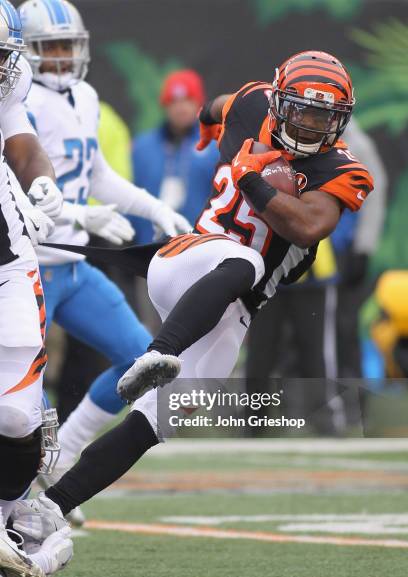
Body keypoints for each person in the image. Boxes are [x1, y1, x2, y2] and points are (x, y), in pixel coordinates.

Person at [12, 51, 374, 534]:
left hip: (233, 310)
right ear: (277, 100)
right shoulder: (253, 104)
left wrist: (250, 178)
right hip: (190, 261)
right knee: (245, 259)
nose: (309, 125)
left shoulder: (342, 168)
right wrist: (209, 126)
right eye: (301, 110)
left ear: (340, 120)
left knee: (167, 414)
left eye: (322, 116)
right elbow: (220, 106)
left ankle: (50, 507)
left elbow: (309, 226)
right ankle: (157, 351)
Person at [17, 0, 191, 526]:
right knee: (20, 394)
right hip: (26, 270)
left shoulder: (86, 97)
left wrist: (153, 207)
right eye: (52, 47)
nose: (64, 57)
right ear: (27, 51)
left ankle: (63, 456)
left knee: (139, 359)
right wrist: (80, 217)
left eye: (71, 45)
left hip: (71, 268)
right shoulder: (17, 100)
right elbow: (15, 188)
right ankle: (19, 503)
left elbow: (97, 176)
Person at [0, 0, 74, 577]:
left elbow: (19, 138)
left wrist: (40, 183)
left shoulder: (15, 74)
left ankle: (5, 522)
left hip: (5, 250)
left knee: (17, 412)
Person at [131, 69, 219, 244]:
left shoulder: (215, 146)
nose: (181, 108)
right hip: (150, 246)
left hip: (200, 244)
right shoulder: (142, 146)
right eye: (174, 101)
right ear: (165, 105)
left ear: (198, 103)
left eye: (187, 100)